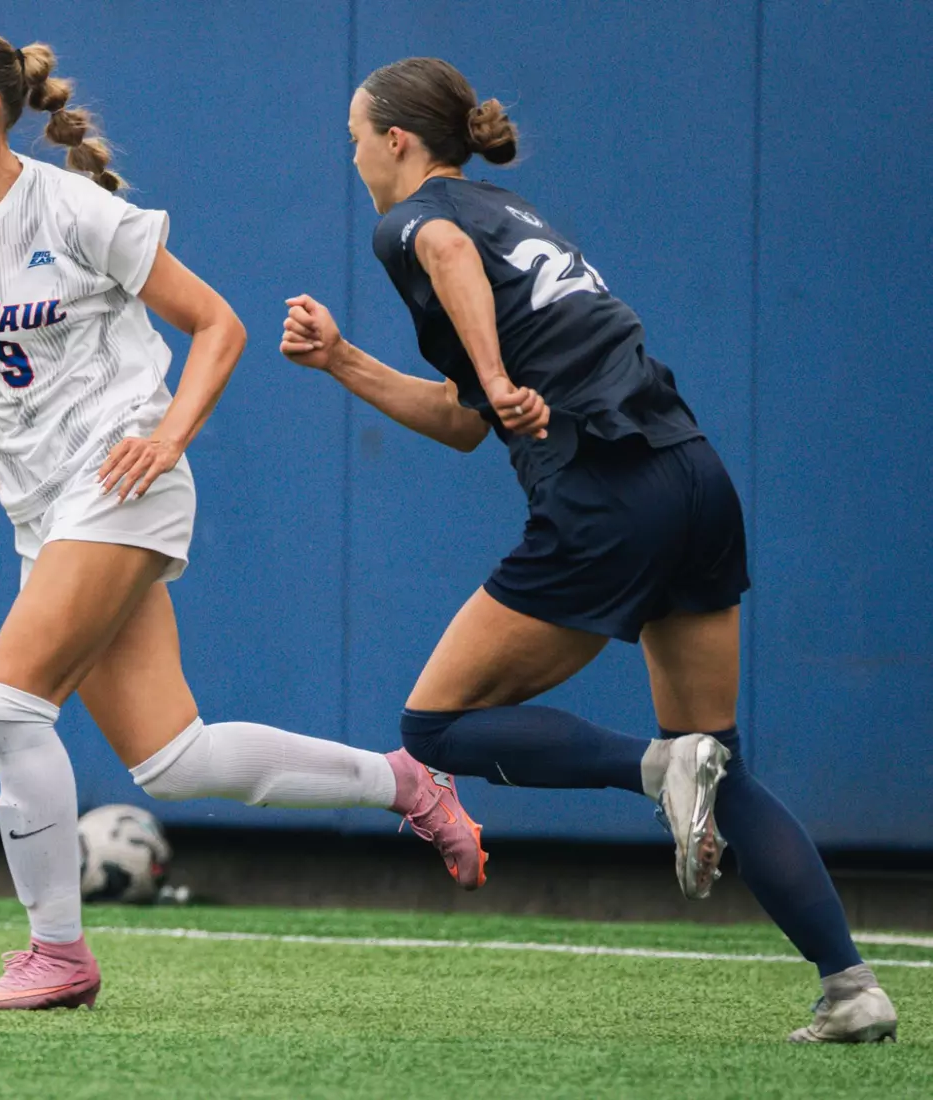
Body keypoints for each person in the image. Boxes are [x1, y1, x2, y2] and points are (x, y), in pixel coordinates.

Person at [280, 57, 897, 1044]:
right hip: (692, 476)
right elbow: (460, 420)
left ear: (397, 140)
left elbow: (440, 251)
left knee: (434, 726)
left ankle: (654, 768)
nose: (351, 154)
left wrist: (491, 368)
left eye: (356, 134)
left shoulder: (417, 218)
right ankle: (850, 984)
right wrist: (344, 358)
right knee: (721, 763)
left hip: (605, 488)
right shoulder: (510, 212)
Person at [0, 28, 485, 1012]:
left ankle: (57, 953)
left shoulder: (75, 207)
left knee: (6, 701)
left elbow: (220, 325)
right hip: (41, 503)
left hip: (122, 476)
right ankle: (407, 782)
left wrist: (166, 437)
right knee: (173, 755)